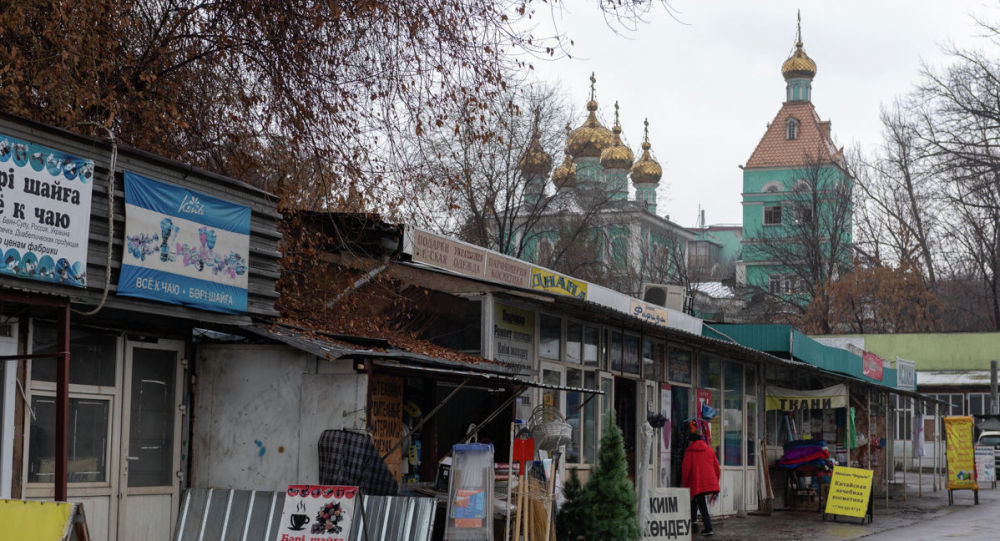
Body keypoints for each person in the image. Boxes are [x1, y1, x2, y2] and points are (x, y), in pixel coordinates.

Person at [682, 430, 720, 536]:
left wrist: (685, 485)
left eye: (689, 441)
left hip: (696, 482)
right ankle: (694, 523)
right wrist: (715, 481)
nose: (688, 443)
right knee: (695, 501)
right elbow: (717, 467)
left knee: (701, 503)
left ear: (692, 441)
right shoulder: (709, 450)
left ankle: (708, 528)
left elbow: (686, 470)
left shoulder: (690, 451)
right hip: (708, 482)